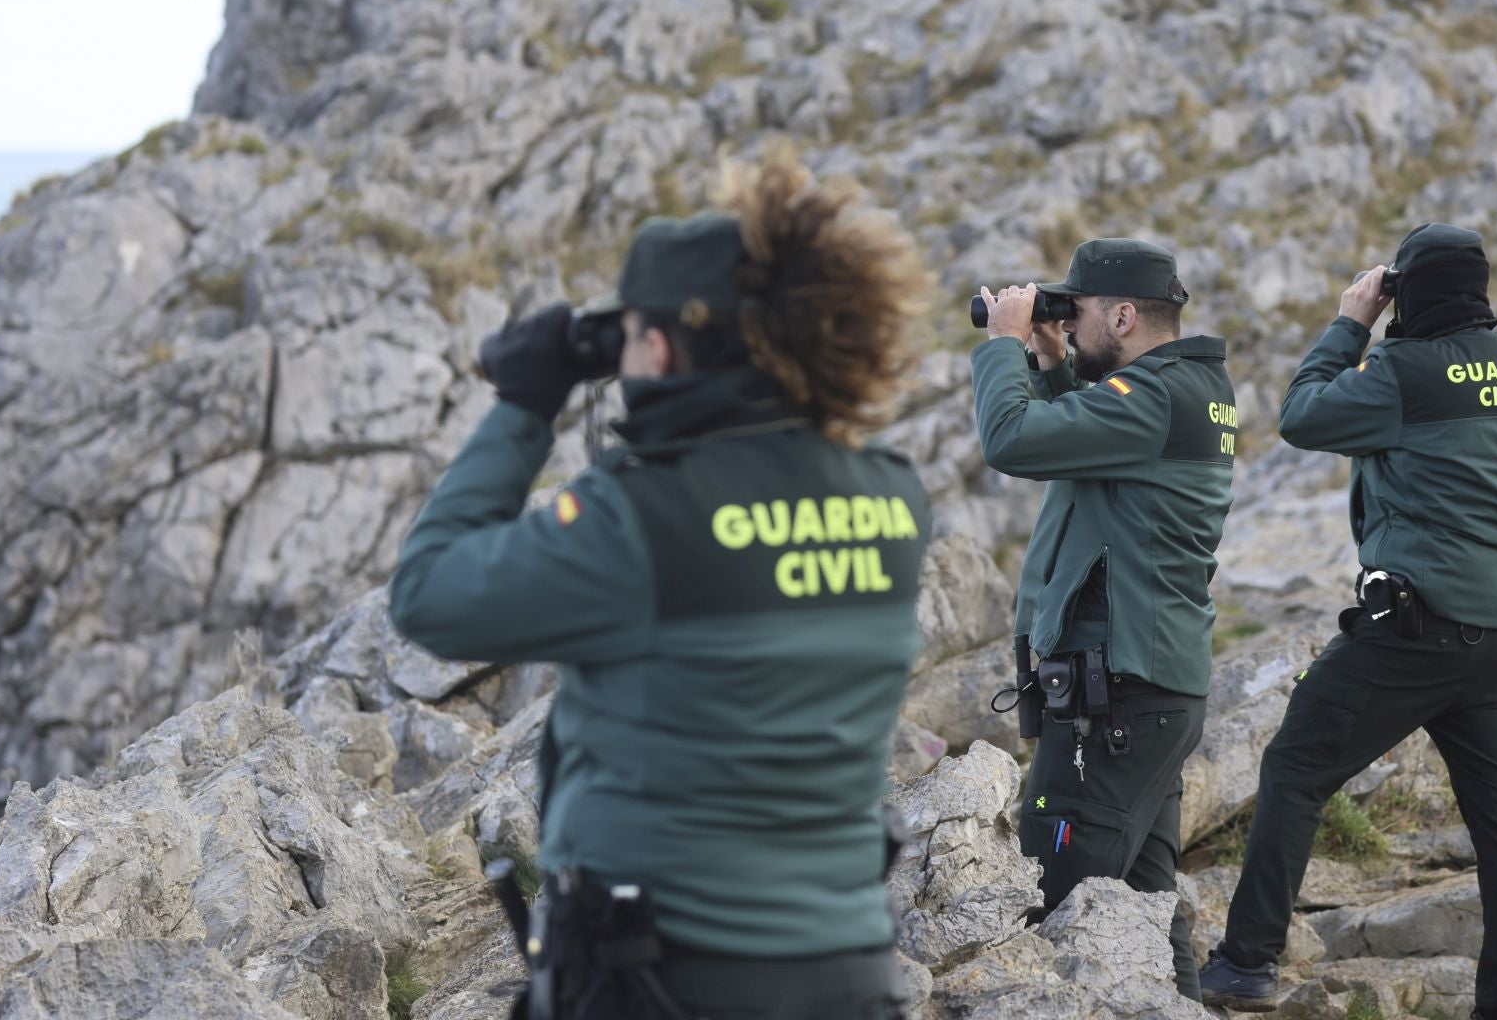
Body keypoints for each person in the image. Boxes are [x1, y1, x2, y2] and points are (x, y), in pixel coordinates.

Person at [389, 154, 933, 1020]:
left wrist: (525, 406)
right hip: (849, 978)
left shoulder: (644, 516)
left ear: (673, 342)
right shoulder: (893, 498)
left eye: (633, 333)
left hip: (667, 984)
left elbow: (428, 595)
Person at [1195, 224, 1497, 1020]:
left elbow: (1301, 415)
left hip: (1410, 636)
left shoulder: (1404, 373)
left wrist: (1352, 321)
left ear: (1410, 292)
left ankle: (1246, 963)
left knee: (1296, 769)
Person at [972, 238, 1238, 1002]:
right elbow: (1086, 447)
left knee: (1053, 908)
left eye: (1076, 310)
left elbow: (1013, 440)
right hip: (1146, 693)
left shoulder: (1155, 397)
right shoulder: (1179, 388)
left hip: (1114, 702)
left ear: (1123, 316)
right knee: (1149, 912)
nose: (1069, 320)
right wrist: (1055, 361)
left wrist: (1002, 347)